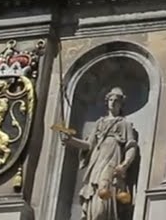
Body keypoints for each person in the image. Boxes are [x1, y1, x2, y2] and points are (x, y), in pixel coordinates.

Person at [60, 87, 140, 220]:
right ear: (107, 102)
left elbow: (131, 146)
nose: (113, 103)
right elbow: (89, 145)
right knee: (94, 195)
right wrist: (70, 140)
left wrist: (125, 164)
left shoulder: (124, 124)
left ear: (121, 104)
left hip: (113, 161)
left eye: (116, 101)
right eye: (110, 100)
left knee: (104, 199)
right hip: (97, 162)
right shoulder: (99, 123)